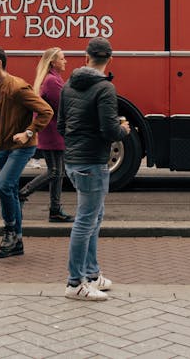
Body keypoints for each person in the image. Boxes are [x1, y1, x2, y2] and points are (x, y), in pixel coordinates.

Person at [58, 37, 130, 301]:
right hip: (93, 162)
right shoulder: (105, 89)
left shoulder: (67, 86)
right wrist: (123, 130)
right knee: (86, 220)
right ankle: (75, 283)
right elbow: (110, 130)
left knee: (94, 217)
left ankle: (91, 273)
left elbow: (61, 126)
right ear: (110, 59)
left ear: (85, 57)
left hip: (75, 160)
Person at [0, 45, 53, 258]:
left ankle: (10, 231)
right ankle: (18, 242)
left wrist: (29, 132)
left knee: (3, 186)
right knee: (10, 190)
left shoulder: (17, 86)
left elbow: (46, 111)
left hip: (21, 147)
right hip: (4, 146)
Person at [19, 47, 73, 222]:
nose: (65, 61)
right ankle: (22, 193)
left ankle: (55, 210)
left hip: (53, 130)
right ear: (53, 62)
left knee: (58, 171)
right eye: (62, 59)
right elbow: (62, 107)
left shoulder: (53, 79)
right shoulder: (52, 81)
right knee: (55, 171)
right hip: (52, 131)